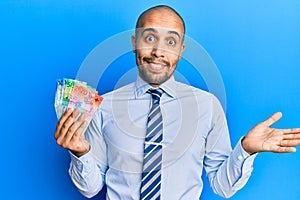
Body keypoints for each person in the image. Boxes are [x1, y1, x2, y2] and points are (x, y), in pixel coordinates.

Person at [54, 5, 300, 199]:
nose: (158, 51)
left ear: (181, 50)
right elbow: (90, 189)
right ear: (134, 43)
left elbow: (223, 187)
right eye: (149, 38)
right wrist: (80, 152)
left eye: (170, 42)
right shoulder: (103, 106)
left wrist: (245, 150)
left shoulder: (207, 106)